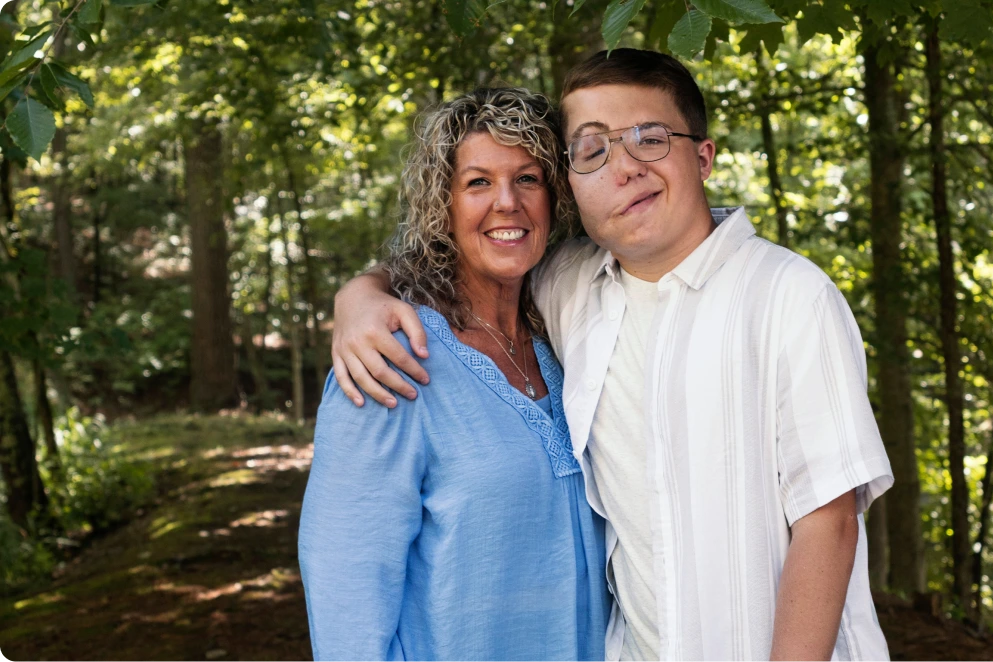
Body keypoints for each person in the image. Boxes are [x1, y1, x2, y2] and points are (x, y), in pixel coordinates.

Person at [332, 49, 893, 662]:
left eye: (650, 139)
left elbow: (829, 521)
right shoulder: (568, 288)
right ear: (573, 181)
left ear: (702, 157)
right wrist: (360, 296)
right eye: (593, 150)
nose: (624, 167)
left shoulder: (789, 294)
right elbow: (468, 252)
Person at [298, 87, 610, 661]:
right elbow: (347, 601)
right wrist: (361, 293)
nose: (507, 203)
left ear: (554, 198)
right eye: (478, 183)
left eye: (528, 179)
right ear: (441, 206)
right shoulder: (390, 359)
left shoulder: (568, 338)